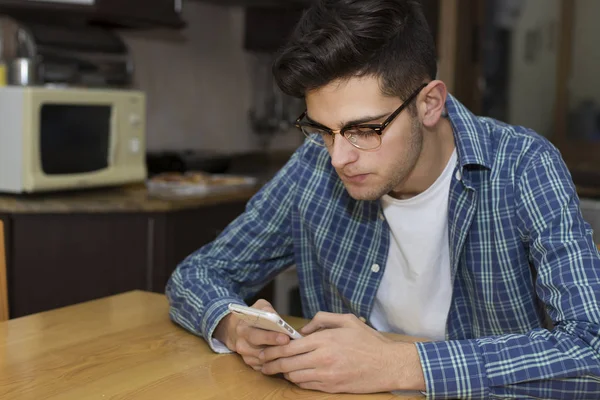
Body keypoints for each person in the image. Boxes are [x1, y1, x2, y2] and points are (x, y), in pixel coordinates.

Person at [166, 0, 600, 398]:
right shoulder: (315, 162)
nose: (339, 157)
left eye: (365, 130)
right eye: (322, 129)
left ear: (429, 103)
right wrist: (233, 325)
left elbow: (591, 350)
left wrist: (397, 363)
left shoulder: (523, 166)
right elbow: (199, 273)